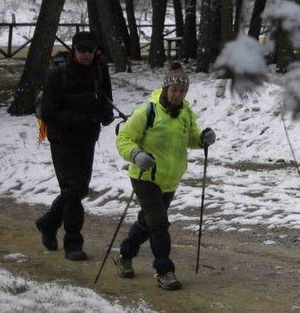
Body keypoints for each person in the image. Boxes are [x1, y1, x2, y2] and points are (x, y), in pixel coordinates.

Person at [114, 62, 216, 291]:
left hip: (170, 179)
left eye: (182, 91)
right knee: (159, 224)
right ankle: (164, 270)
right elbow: (124, 139)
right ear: (166, 88)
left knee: (147, 222)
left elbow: (191, 137)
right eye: (174, 90)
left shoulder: (185, 112)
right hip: (145, 176)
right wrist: (136, 155)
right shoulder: (147, 111)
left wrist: (203, 138)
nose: (178, 95)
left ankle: (125, 255)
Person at [34, 29, 114, 261]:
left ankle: (49, 223)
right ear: (74, 50)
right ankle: (73, 243)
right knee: (73, 190)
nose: (87, 54)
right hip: (62, 140)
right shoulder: (57, 74)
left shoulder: (100, 70)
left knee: (77, 190)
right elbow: (48, 113)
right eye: (82, 50)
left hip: (88, 139)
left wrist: (106, 114)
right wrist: (83, 119)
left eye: (91, 50)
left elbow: (106, 99)